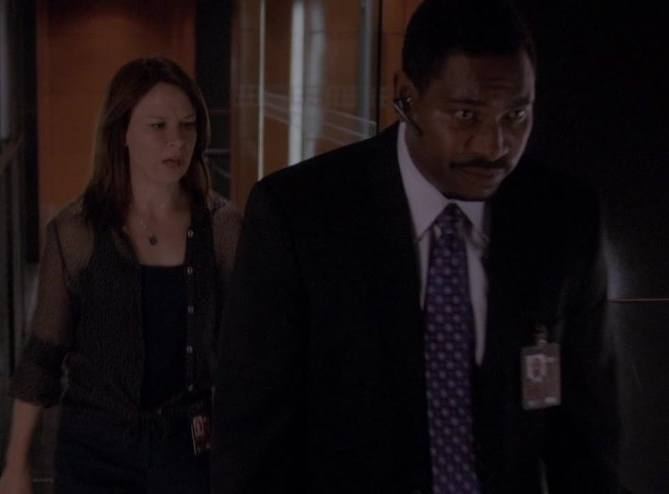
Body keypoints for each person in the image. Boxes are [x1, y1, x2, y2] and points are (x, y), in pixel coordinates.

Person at [210, 0, 619, 492]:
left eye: (516, 115)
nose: (495, 146)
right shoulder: (299, 216)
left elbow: (589, 441)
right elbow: (251, 444)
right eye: (466, 114)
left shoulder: (564, 218)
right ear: (406, 95)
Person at [0, 57, 241, 493]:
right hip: (94, 452)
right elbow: (43, 355)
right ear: (121, 132)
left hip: (189, 453)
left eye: (187, 126)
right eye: (158, 126)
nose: (177, 141)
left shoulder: (222, 227)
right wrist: (16, 466)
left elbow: (251, 346)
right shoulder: (77, 231)